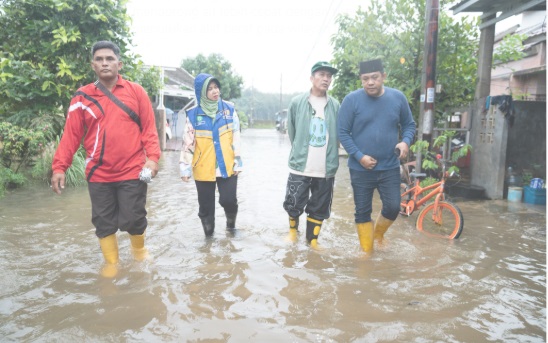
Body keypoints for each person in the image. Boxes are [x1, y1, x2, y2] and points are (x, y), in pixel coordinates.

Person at [51, 41, 161, 278]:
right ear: (93, 65)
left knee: (134, 217)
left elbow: (149, 131)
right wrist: (60, 167)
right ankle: (111, 263)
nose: (104, 63)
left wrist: (152, 159)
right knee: (103, 222)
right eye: (99, 59)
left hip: (133, 170)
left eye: (109, 59)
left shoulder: (136, 92)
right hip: (98, 173)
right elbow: (70, 136)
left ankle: (139, 251)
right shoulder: (82, 97)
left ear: (119, 64)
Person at [338, 58, 416, 254]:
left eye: (374, 77)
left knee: (392, 207)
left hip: (389, 166)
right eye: (365, 79)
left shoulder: (397, 98)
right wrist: (358, 156)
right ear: (361, 80)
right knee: (362, 211)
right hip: (360, 168)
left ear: (383, 76)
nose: (370, 82)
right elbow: (342, 132)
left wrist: (405, 141)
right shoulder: (351, 100)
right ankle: (366, 253)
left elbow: (409, 125)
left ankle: (378, 235)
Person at [282, 61, 341, 249]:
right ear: (311, 78)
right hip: (301, 165)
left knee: (320, 206)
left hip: (326, 168)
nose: (326, 79)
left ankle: (312, 241)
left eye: (329, 76)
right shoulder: (298, 102)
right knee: (294, 201)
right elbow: (291, 130)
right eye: (322, 74)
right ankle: (292, 232)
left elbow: (338, 133)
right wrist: (300, 150)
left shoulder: (335, 105)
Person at [179, 73, 243, 237]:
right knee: (206, 208)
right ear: (201, 93)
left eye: (216, 87)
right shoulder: (193, 115)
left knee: (229, 200)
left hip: (227, 164)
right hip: (203, 166)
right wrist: (185, 168)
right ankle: (208, 240)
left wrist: (238, 161)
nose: (215, 91)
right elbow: (188, 143)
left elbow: (236, 135)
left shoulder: (229, 109)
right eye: (210, 89)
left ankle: (231, 226)